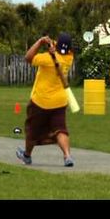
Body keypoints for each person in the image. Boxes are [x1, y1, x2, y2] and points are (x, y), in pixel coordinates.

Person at [16, 32, 75, 167]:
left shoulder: (47, 59)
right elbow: (60, 48)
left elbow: (28, 57)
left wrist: (40, 41)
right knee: (60, 130)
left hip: (41, 101)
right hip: (60, 101)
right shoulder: (69, 58)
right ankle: (67, 156)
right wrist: (49, 43)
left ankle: (27, 156)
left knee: (32, 131)